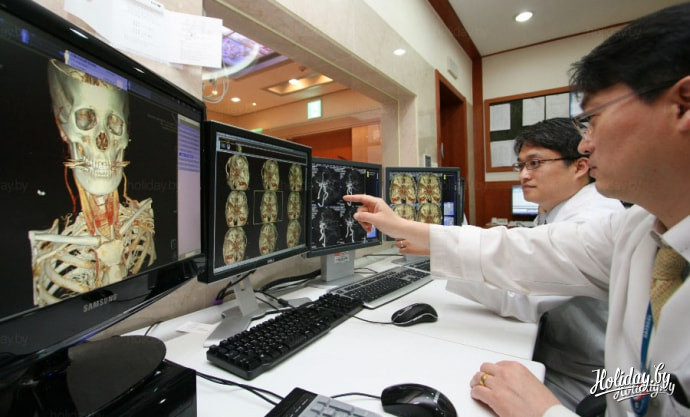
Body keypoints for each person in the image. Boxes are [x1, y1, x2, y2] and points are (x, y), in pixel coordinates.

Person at [344, 3, 690, 416]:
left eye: (594, 119)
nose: (586, 143)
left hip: (587, 381)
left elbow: (524, 289)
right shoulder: (638, 228)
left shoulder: (609, 218)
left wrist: (545, 412)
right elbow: (525, 252)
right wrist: (406, 227)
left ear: (683, 105)